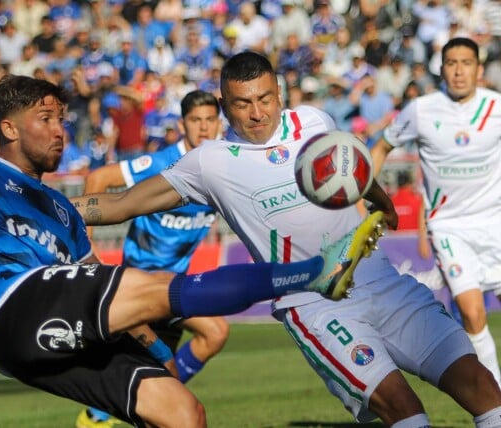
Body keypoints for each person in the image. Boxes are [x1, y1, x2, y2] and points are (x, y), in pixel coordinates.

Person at [0, 34, 380, 428]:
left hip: (47, 334)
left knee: (181, 412)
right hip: (13, 306)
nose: (60, 130)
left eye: (62, 118)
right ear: (9, 129)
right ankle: (312, 273)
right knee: (171, 291)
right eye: (45, 119)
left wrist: (160, 352)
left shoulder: (61, 211)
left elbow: (97, 288)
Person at [71, 50, 501, 427]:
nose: (258, 113)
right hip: (313, 303)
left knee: (482, 387)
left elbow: (350, 167)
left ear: (279, 93)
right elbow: (122, 204)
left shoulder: (314, 121)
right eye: (243, 104)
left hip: (381, 281)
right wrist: (54, 206)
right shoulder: (208, 163)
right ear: (225, 106)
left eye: (265, 99)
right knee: (405, 411)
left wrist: (383, 204)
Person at [77, 90, 228, 427]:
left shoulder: (221, 167)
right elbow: (99, 178)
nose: (204, 128)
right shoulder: (161, 164)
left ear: (219, 124)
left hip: (173, 286)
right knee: (211, 333)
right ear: (181, 125)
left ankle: (100, 417)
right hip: (141, 285)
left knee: (183, 356)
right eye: (195, 121)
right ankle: (110, 415)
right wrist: (83, 248)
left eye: (210, 120)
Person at [371, 37, 501, 388]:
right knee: (473, 314)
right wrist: (362, 194)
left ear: (478, 68)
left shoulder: (497, 106)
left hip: (496, 222)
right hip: (449, 227)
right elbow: (382, 146)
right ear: (441, 68)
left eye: (466, 63)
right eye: (452, 63)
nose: (459, 71)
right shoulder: (421, 110)